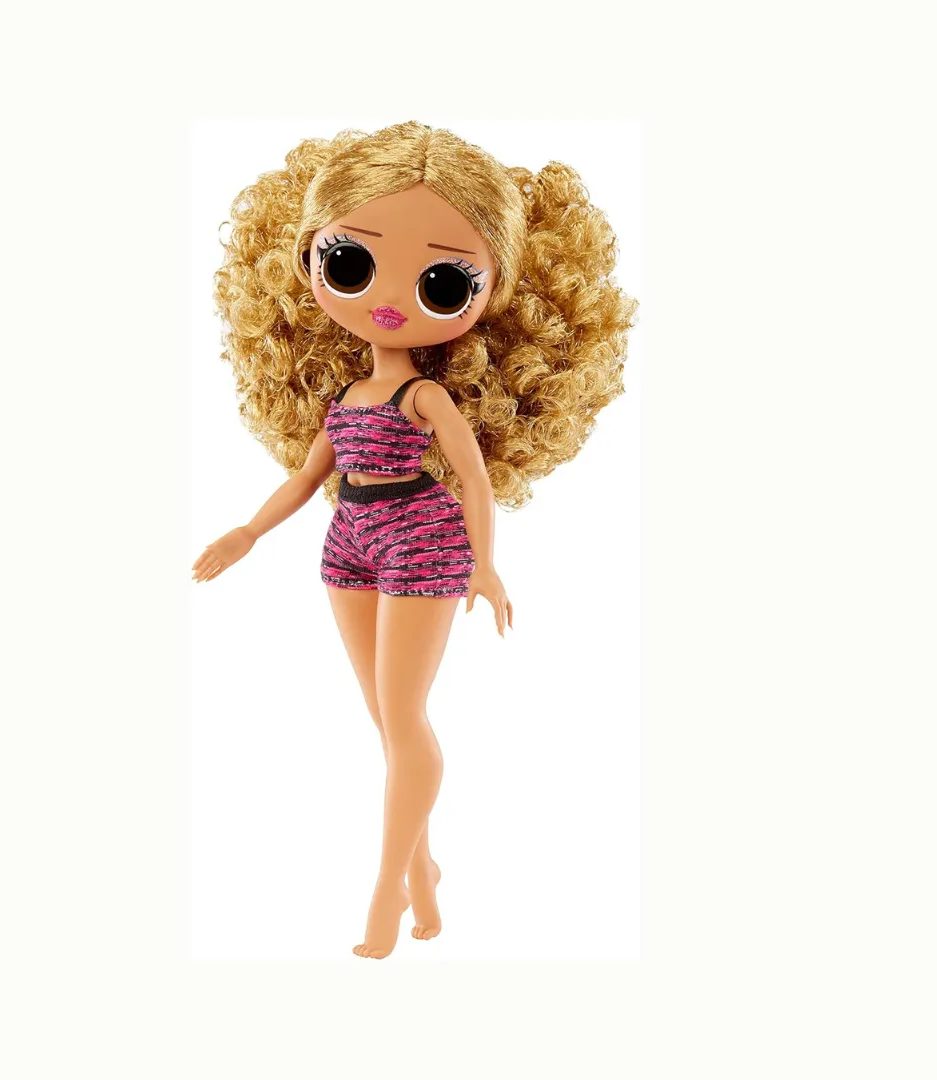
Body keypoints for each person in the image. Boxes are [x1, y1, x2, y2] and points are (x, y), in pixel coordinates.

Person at [192, 121, 636, 958]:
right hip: (348, 541)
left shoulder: (425, 400)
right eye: (350, 265)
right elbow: (308, 477)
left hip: (422, 540)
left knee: (404, 717)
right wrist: (248, 531)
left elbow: (473, 478)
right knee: (386, 720)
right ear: (304, 261)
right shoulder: (345, 397)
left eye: (443, 280)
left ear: (495, 292)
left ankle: (387, 891)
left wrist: (486, 564)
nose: (390, 298)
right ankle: (426, 870)